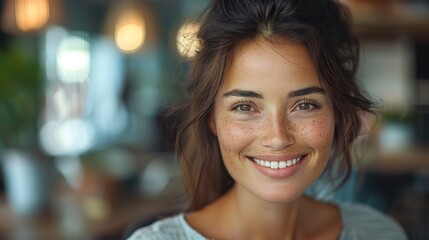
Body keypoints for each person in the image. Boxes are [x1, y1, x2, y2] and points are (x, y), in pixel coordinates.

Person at [128, 0, 408, 239]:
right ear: (212, 118)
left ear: (336, 112)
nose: (277, 137)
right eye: (245, 107)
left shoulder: (380, 233)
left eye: (305, 105)